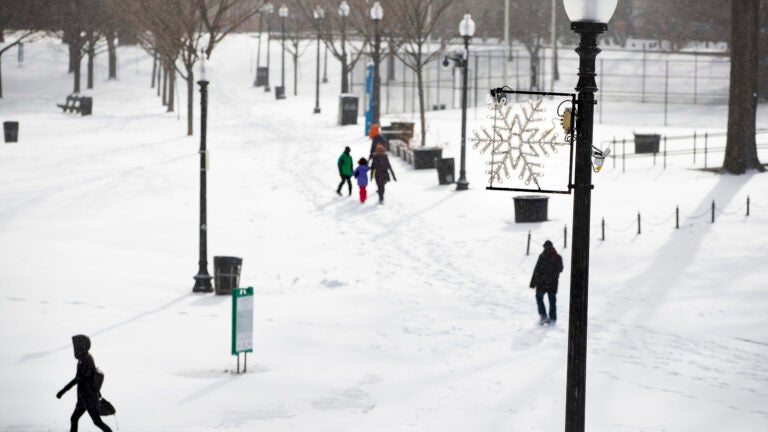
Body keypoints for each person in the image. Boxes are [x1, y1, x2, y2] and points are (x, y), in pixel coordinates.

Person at [57, 335, 112, 432]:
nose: (75, 348)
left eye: (76, 345)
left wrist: (63, 391)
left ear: (82, 346)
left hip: (89, 398)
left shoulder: (86, 359)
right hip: (84, 397)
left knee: (97, 422)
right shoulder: (84, 358)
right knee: (74, 418)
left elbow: (78, 379)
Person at [529, 240, 564, 325]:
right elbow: (560, 269)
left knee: (540, 298)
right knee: (551, 301)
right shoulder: (557, 257)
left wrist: (533, 283)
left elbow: (536, 270)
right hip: (551, 283)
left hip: (543, 282)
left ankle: (544, 316)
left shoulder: (545, 256)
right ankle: (551, 318)